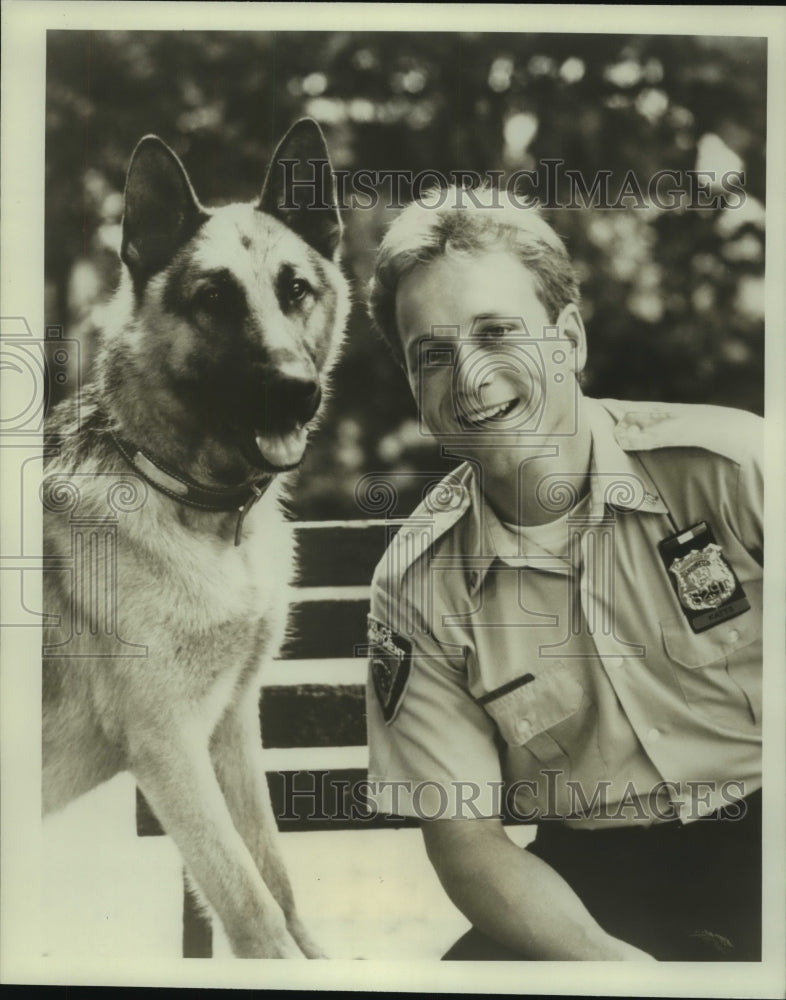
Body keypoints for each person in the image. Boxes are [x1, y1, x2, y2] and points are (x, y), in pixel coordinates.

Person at [363, 187, 763, 961]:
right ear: (416, 389)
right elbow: (469, 840)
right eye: (433, 354)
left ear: (569, 339)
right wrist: (614, 969)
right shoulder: (416, 586)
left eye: (497, 331)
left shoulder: (732, 470)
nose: (471, 377)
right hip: (594, 880)